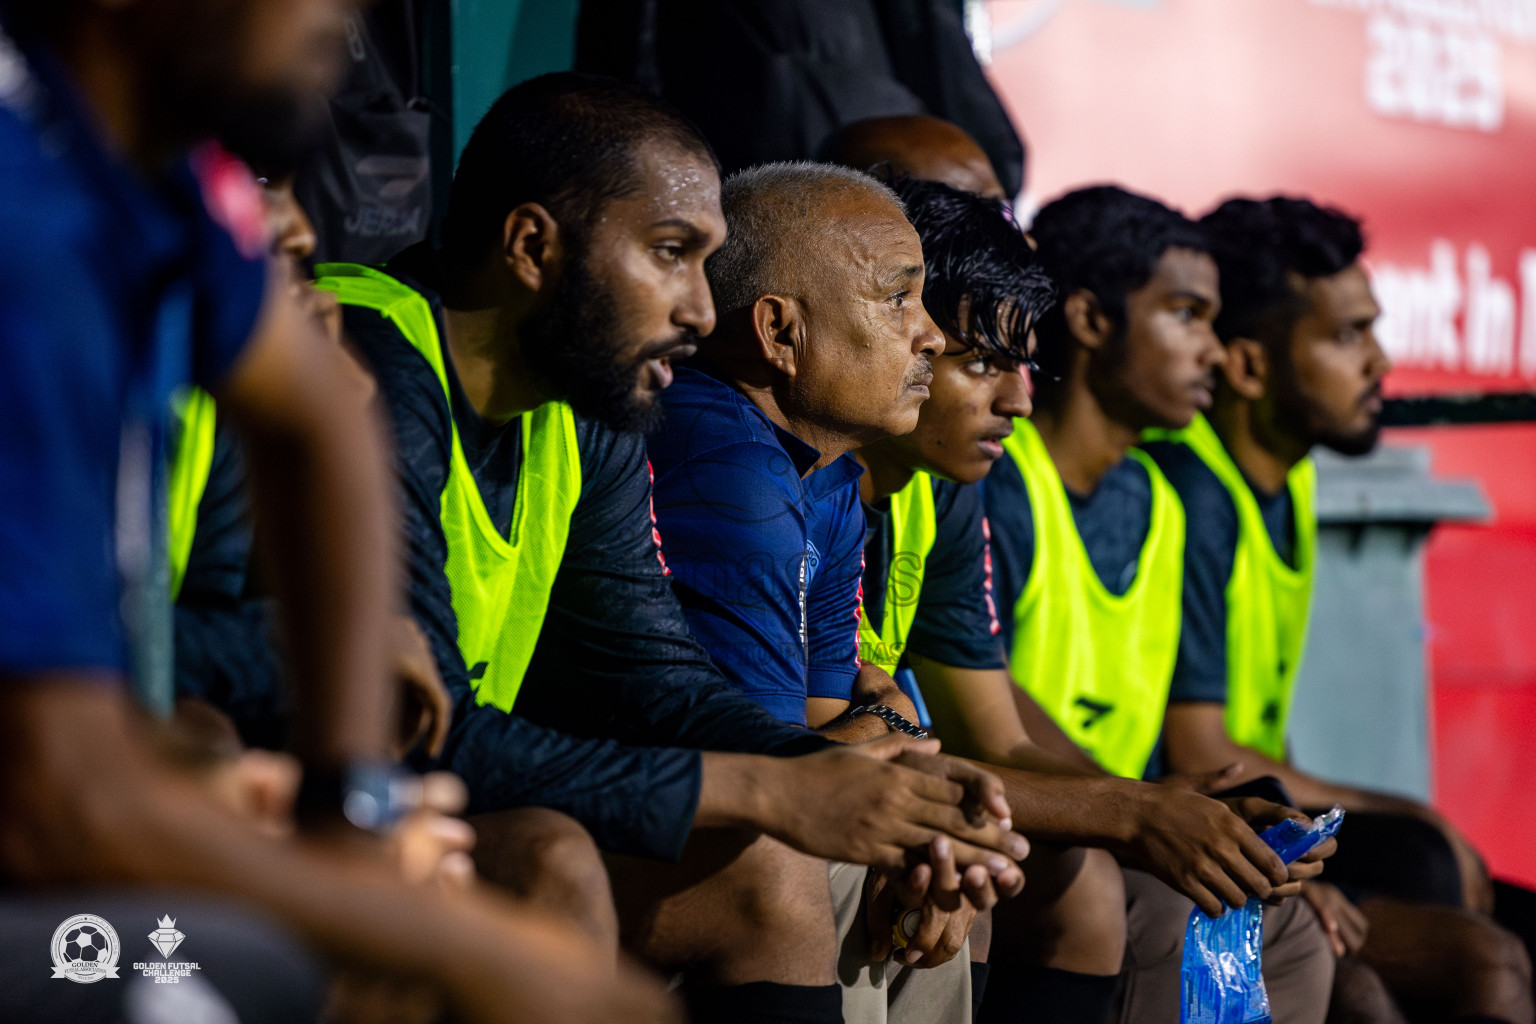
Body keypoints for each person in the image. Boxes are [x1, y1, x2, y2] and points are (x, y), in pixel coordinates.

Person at [0, 1, 672, 1022]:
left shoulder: (143, 168)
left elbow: (318, 417)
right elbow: (58, 804)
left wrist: (348, 808)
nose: (343, 17)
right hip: (43, 830)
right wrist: (453, 943)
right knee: (255, 975)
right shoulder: (21, 212)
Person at [319, 73, 1025, 1024]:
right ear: (532, 247)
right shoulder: (368, 364)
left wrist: (878, 784)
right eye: (670, 253)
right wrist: (775, 786)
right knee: (597, 860)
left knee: (833, 856)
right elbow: (413, 728)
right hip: (281, 800)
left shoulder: (587, 411)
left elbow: (656, 675)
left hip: (417, 806)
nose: (699, 308)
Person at [843, 173, 1335, 1024]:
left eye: (1021, 366)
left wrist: (1166, 809)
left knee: (1282, 924)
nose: (1018, 399)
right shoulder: (799, 476)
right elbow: (843, 748)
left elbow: (994, 735)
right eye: (983, 364)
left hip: (926, 791)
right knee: (1065, 883)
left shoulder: (943, 490)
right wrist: (1136, 812)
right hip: (823, 803)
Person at [644, 160, 1029, 1023]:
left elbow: (827, 721)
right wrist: (894, 741)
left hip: (747, 790)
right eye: (898, 300)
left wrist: (897, 749)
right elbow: (783, 770)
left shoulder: (829, 478)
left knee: (946, 865)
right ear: (779, 332)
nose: (931, 336)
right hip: (622, 819)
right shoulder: (725, 459)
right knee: (849, 864)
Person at [1145, 195, 1533, 1024]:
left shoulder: (1288, 480)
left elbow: (1262, 741)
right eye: (1347, 335)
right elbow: (1203, 750)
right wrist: (1408, 811)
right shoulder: (1193, 493)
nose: (1380, 360)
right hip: (1184, 827)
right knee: (1461, 930)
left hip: (1243, 807)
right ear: (1249, 367)